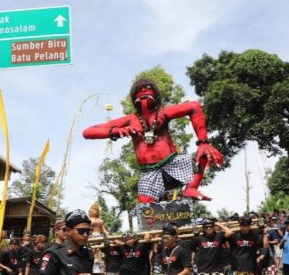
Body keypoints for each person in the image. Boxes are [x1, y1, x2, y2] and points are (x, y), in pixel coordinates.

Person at [83, 78, 223, 202]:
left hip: (173, 163)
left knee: (204, 153)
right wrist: (113, 131)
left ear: (155, 94)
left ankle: (190, 188)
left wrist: (203, 142)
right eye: (139, 90)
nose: (144, 91)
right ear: (134, 97)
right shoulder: (130, 119)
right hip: (149, 172)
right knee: (147, 209)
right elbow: (88, 132)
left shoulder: (163, 112)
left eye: (148, 89)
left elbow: (194, 107)